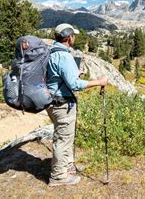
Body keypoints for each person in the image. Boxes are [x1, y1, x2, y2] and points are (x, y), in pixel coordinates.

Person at [46, 23, 108, 186]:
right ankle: (58, 176)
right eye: (73, 35)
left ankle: (67, 166)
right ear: (68, 37)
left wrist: (75, 74)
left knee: (65, 136)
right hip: (62, 103)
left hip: (53, 101)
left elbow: (58, 76)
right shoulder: (64, 56)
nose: (75, 38)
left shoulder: (51, 52)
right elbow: (74, 85)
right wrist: (99, 82)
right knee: (63, 139)